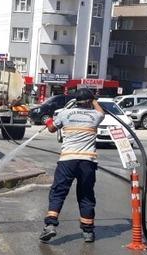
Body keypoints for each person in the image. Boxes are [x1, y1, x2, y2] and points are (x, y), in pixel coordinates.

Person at [39, 88, 105, 243]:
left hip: (67, 160)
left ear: (76, 101)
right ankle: (88, 231)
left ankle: (50, 226)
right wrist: (94, 99)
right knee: (86, 194)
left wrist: (47, 120)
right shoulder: (95, 116)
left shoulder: (65, 114)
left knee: (58, 192)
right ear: (90, 101)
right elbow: (101, 112)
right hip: (87, 162)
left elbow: (51, 128)